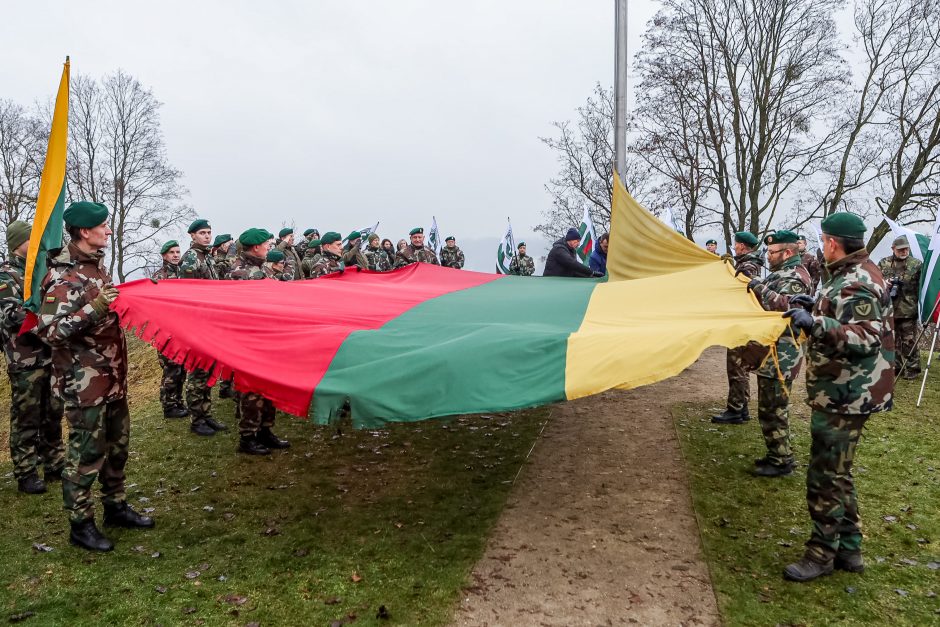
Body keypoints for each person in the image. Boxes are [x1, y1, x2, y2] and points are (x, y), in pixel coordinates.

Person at [782, 212, 895, 582]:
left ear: (832, 242)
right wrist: (814, 307)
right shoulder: (847, 274)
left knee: (825, 477)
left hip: (847, 395)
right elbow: (842, 314)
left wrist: (816, 323)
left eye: (823, 240)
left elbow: (865, 336)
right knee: (839, 473)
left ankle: (821, 554)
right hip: (842, 391)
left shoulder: (858, 279)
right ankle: (849, 549)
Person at [39, 201, 154, 551]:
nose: (108, 230)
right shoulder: (63, 275)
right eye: (102, 226)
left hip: (112, 380)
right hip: (83, 384)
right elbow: (50, 331)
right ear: (85, 232)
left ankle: (115, 505)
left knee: (117, 448)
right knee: (86, 454)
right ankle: (80, 523)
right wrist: (95, 307)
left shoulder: (95, 270)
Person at [0, 221, 65, 495]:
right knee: (26, 418)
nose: (37, 245)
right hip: (24, 359)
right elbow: (10, 316)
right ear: (18, 243)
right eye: (31, 240)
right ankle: (25, 472)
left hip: (50, 355)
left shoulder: (40, 272)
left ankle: (54, 464)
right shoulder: (6, 275)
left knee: (53, 412)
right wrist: (44, 318)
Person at [744, 230, 812, 477]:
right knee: (768, 407)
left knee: (775, 408)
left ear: (788, 252)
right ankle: (776, 454)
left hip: (783, 353)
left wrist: (760, 288)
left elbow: (790, 307)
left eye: (772, 252)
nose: (768, 256)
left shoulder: (795, 276)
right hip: (772, 350)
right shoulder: (781, 273)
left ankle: (782, 460)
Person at [228, 228, 291, 455]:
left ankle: (265, 430)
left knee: (269, 385)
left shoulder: (258, 268)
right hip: (249, 340)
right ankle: (247, 437)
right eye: (267, 244)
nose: (269, 248)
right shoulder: (241, 272)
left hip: (266, 337)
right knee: (252, 390)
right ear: (256, 247)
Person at [179, 219, 227, 437]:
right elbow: (186, 293)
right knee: (198, 373)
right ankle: (196, 419)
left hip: (210, 322)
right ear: (192, 236)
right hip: (197, 323)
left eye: (209, 232)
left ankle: (206, 414)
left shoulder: (207, 256)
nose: (207, 236)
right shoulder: (190, 258)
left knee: (208, 371)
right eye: (202, 233)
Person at [712, 231, 765, 424]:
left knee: (736, 367)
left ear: (742, 246)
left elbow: (740, 288)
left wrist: (728, 269)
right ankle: (742, 408)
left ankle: (735, 410)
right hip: (745, 322)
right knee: (741, 367)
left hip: (744, 323)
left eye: (736, 245)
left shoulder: (748, 266)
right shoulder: (748, 263)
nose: (734, 247)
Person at [151, 241, 189, 419]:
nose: (175, 255)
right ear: (164, 256)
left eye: (177, 251)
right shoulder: (159, 277)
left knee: (181, 369)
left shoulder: (183, 275)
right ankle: (168, 406)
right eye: (171, 252)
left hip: (182, 330)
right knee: (171, 369)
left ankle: (178, 402)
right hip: (165, 331)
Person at [878, 236, 922, 379]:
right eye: (901, 249)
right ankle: (895, 367)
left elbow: (923, 286)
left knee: (909, 341)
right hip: (889, 308)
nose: (904, 251)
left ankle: (913, 368)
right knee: (892, 341)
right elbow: (876, 282)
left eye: (906, 249)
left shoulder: (916, 264)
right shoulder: (884, 263)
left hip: (908, 308)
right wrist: (885, 283)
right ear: (893, 249)